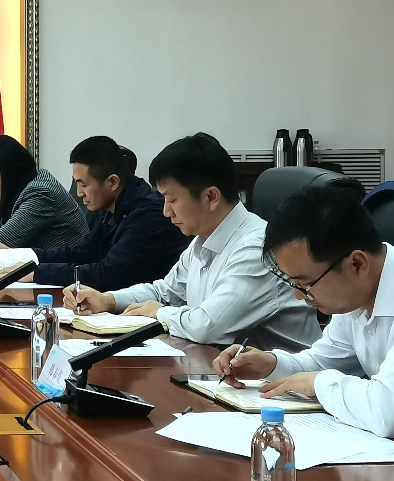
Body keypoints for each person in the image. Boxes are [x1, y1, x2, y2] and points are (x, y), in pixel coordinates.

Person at [215, 184, 394, 464]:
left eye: (305, 284)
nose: (298, 296)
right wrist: (271, 365)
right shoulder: (357, 293)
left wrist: (318, 383)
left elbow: (388, 412)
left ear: (357, 264)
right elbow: (323, 362)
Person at [66, 133, 319, 349]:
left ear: (211, 197)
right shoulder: (202, 240)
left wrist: (159, 312)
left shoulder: (255, 249)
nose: (166, 211)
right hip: (225, 371)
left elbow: (206, 326)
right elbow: (164, 291)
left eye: (172, 200)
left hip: (281, 384)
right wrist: (108, 300)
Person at [34, 136, 187, 289]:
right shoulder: (109, 207)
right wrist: (27, 260)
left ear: (112, 182)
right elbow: (82, 253)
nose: (79, 193)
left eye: (83, 184)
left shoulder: (148, 216)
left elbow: (109, 275)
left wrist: (38, 272)